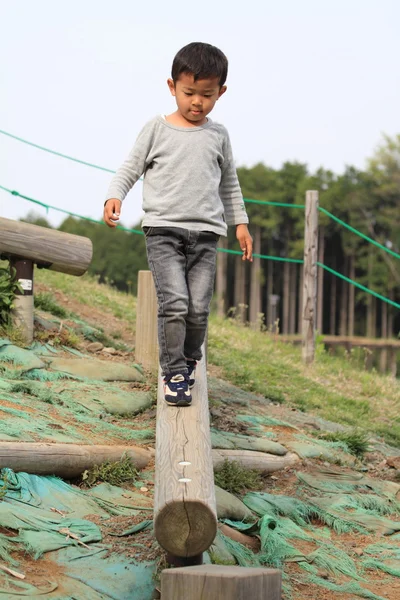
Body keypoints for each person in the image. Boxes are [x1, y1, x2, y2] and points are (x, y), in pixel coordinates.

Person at [104, 41, 252, 407]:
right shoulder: (156, 129)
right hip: (164, 231)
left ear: (221, 92)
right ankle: (173, 373)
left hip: (206, 236)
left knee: (198, 309)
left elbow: (229, 182)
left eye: (207, 94)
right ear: (172, 87)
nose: (197, 102)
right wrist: (115, 196)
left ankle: (187, 361)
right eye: (189, 93)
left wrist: (241, 223)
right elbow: (130, 167)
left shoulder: (219, 136)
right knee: (176, 303)